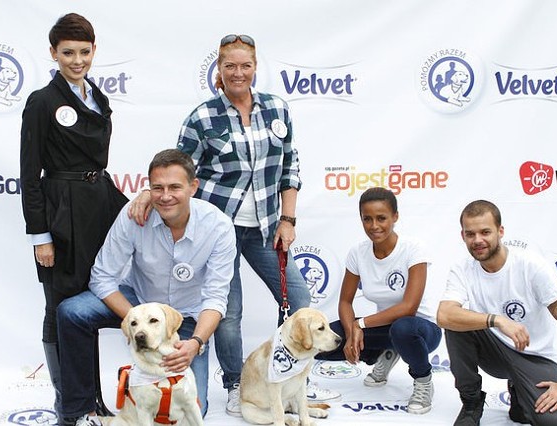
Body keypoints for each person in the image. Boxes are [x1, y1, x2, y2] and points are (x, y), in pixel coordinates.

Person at [128, 34, 338, 416]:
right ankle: (234, 383)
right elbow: (178, 170)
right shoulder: (202, 117)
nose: (238, 73)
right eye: (229, 66)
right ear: (219, 72)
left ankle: (293, 375)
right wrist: (147, 193)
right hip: (217, 231)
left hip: (265, 228)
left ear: (255, 68)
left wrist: (288, 219)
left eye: (245, 65)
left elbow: (290, 167)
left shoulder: (277, 110)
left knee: (299, 299)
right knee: (229, 312)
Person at [56, 149, 236, 426]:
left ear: (193, 187)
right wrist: (138, 321)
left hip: (185, 318)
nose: (165, 196)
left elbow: (215, 298)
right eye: (157, 188)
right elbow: (102, 277)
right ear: (148, 188)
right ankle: (81, 412)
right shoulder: (133, 216)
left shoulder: (219, 227)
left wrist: (195, 344)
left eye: (175, 187)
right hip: (138, 301)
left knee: (193, 409)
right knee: (72, 311)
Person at [19, 13, 128, 425]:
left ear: (94, 51)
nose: (77, 60)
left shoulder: (96, 96)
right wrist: (40, 236)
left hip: (97, 208)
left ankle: (93, 401)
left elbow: (98, 166)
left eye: (84, 52)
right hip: (61, 213)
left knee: (86, 306)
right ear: (53, 53)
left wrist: (130, 204)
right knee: (59, 306)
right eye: (68, 52)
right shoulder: (42, 102)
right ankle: (71, 407)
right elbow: (29, 176)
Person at [437, 200, 557, 426]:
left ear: (500, 231)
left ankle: (519, 392)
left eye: (485, 232)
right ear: (462, 235)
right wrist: (497, 321)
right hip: (494, 349)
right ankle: (472, 403)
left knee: (549, 421)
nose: (478, 240)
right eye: (470, 234)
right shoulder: (462, 268)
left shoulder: (530, 265)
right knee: (455, 322)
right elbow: (444, 315)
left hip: (536, 356)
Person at [317, 187, 442, 414]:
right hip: (383, 326)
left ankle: (423, 380)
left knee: (402, 328)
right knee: (325, 341)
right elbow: (345, 302)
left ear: (395, 216)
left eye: (382, 218)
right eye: (367, 219)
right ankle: (384, 352)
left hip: (422, 330)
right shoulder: (358, 253)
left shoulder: (413, 249)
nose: (374, 226)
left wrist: (360, 324)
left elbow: (409, 307)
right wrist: (350, 333)